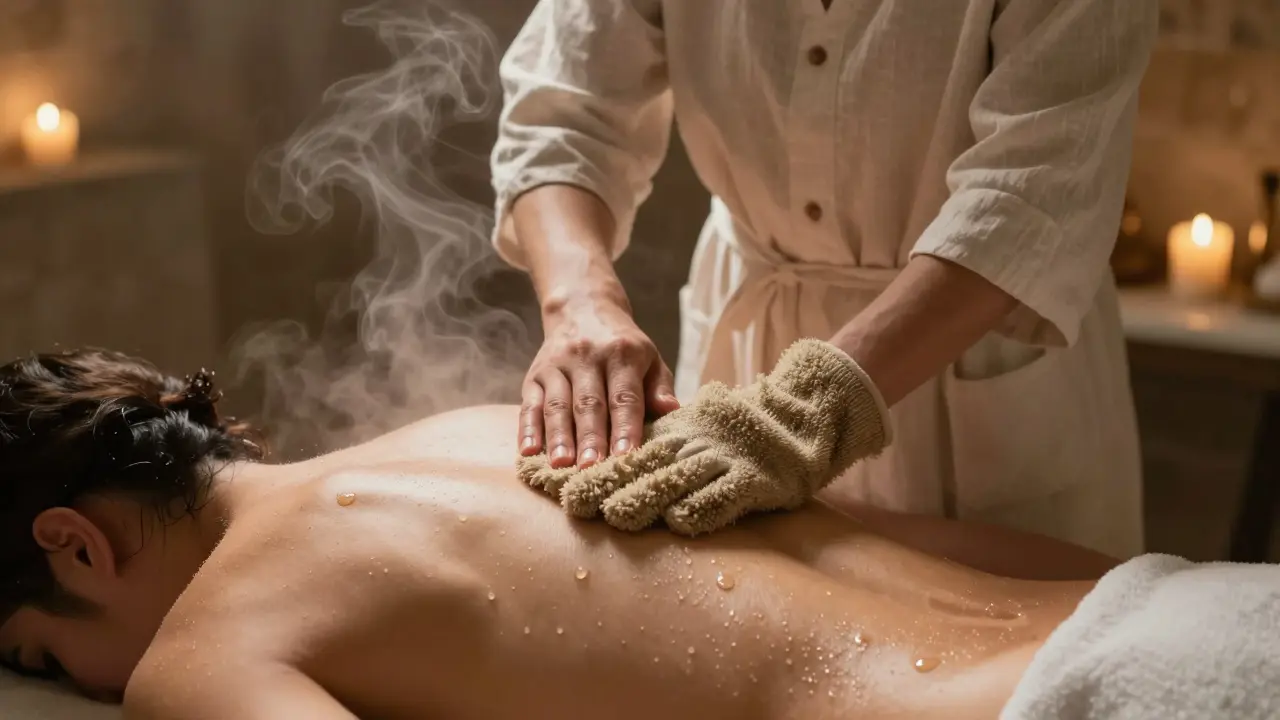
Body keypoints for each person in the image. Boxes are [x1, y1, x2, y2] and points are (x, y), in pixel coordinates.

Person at [0, 348, 1120, 719]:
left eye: (42, 659)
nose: (82, 686)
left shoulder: (199, 656)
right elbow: (901, 538)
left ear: (75, 545)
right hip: (1152, 617)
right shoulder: (491, 426)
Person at [490, 0, 1160, 558]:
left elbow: (1032, 192)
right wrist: (582, 302)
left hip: (975, 347)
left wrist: (809, 410)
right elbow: (561, 115)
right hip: (744, 353)